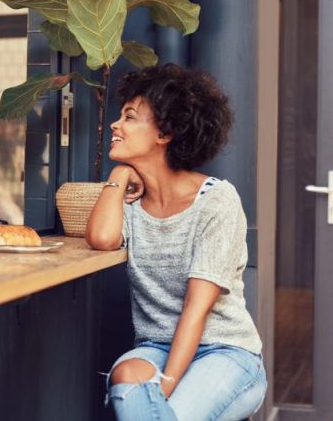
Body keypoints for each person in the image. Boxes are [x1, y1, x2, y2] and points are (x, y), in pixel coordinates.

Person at [86, 65, 267, 420]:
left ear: (165, 133)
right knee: (125, 374)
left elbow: (195, 310)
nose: (114, 125)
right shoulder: (132, 202)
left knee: (174, 413)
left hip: (226, 352)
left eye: (129, 117)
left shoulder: (216, 201)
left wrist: (165, 388)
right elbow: (103, 238)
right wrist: (119, 174)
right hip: (154, 347)